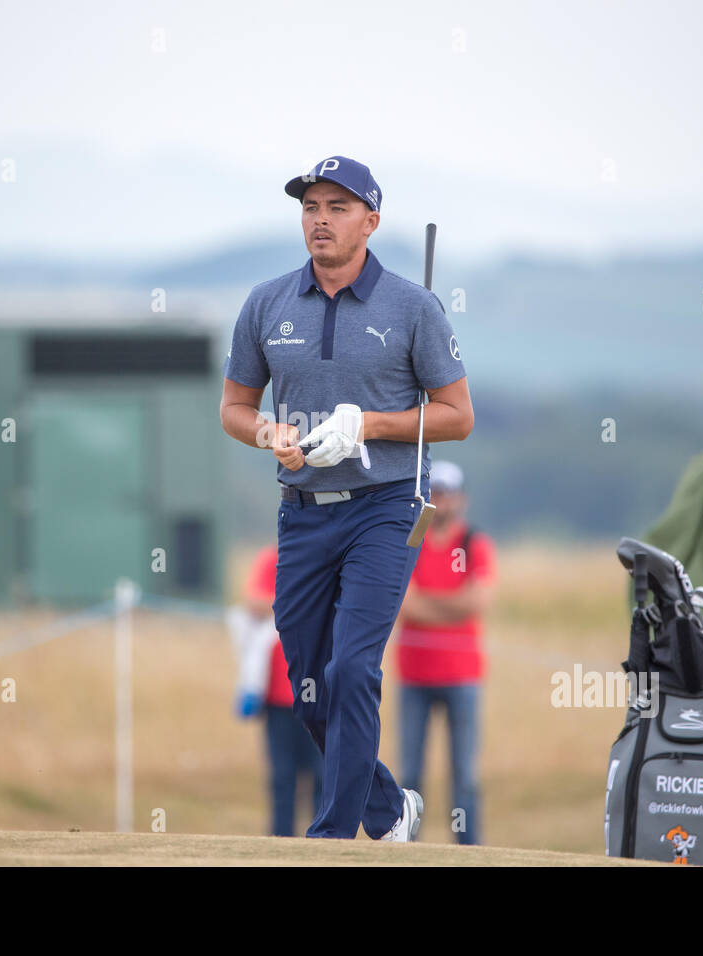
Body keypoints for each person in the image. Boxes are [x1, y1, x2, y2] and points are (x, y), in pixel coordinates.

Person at [219, 155, 474, 840]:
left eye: (337, 207)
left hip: (385, 507)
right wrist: (267, 431)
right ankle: (388, 808)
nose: (320, 219)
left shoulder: (412, 307)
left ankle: (333, 838)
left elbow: (457, 415)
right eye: (310, 206)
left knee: (353, 665)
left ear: (371, 220)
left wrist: (372, 424)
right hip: (302, 512)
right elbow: (233, 408)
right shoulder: (267, 303)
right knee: (307, 682)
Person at [394, 460, 496, 845]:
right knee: (410, 774)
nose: (441, 500)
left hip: (462, 676)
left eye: (448, 494)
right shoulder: (409, 540)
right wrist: (453, 605)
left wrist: (427, 606)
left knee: (465, 774)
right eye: (434, 493)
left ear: (461, 499)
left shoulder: (474, 543)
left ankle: (468, 850)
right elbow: (403, 602)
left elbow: (478, 601)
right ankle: (406, 847)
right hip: (414, 676)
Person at [228, 544, 324, 837]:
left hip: (322, 696)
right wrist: (300, 605)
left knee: (323, 778)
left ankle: (325, 846)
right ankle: (281, 846)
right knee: (283, 779)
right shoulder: (273, 557)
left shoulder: (328, 556)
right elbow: (253, 601)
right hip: (278, 699)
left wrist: (286, 606)